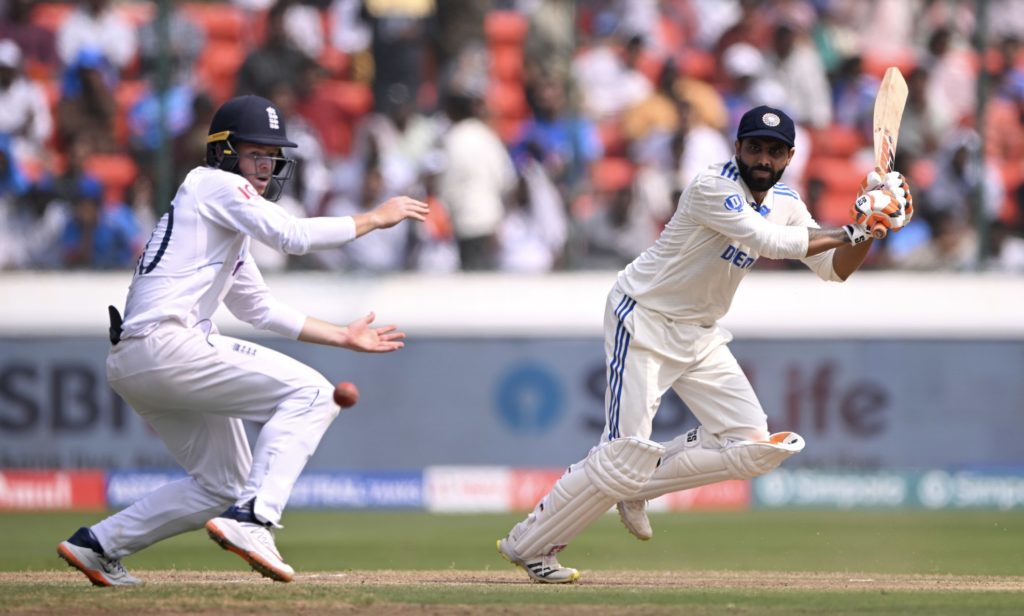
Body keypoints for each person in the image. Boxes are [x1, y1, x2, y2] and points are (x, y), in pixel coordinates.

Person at [496, 105, 913, 583]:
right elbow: (772, 242)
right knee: (620, 453)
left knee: (754, 446)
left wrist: (873, 231)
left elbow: (834, 269)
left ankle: (639, 484)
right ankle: (529, 546)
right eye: (754, 147)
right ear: (737, 148)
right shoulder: (712, 187)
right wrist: (856, 225)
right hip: (645, 318)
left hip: (701, 333)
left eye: (774, 151)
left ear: (790, 157)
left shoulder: (787, 202)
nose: (762, 158)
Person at [55, 94, 429, 586]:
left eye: (271, 157)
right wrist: (373, 219)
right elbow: (292, 236)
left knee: (221, 484)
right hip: (167, 344)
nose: (266, 166)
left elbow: (258, 308)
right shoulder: (212, 184)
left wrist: (343, 335)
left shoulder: (219, 219)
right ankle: (254, 520)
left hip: (139, 358)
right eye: (256, 153)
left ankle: (99, 544)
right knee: (312, 393)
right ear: (223, 152)